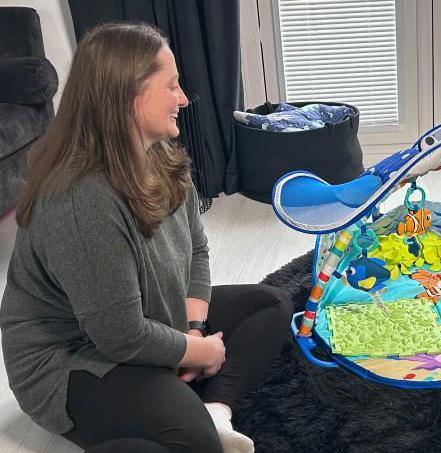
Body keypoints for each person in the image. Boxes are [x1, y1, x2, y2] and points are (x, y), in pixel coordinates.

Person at [0, 23, 292, 453]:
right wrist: (198, 353)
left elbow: (197, 247)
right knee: (191, 441)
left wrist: (193, 331)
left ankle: (214, 412)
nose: (184, 99)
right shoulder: (81, 197)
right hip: (72, 359)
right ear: (129, 92)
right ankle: (192, 419)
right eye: (171, 85)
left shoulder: (161, 155)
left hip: (147, 321)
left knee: (270, 305)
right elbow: (118, 336)